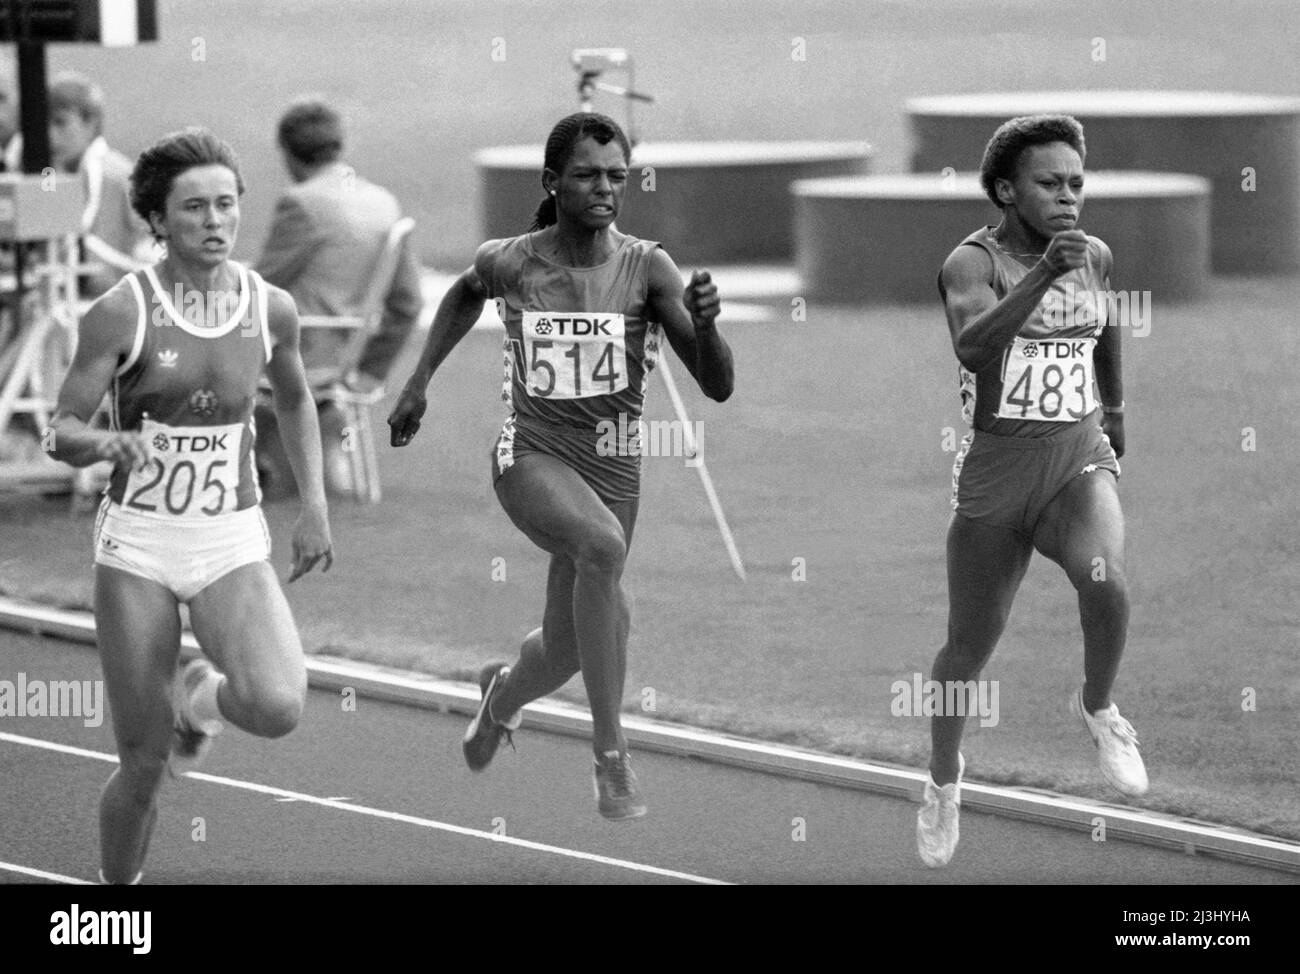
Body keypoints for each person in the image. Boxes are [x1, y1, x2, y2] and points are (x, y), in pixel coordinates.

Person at [388, 112, 734, 820]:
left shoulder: (647, 266)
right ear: (552, 182)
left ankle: (503, 697)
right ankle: (611, 759)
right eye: (587, 175)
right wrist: (418, 382)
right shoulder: (512, 259)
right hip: (532, 456)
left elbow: (717, 384)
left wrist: (708, 325)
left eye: (617, 175)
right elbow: (462, 293)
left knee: (571, 647)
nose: (605, 188)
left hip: (613, 470)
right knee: (600, 547)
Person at [49, 127, 334, 884]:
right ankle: (118, 907)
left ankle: (201, 695)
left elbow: (298, 401)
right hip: (139, 545)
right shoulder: (121, 311)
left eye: (227, 205)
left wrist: (314, 506)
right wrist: (106, 446)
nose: (215, 221)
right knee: (143, 767)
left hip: (230, 541)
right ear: (159, 220)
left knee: (278, 705)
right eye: (195, 208)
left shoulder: (267, 308)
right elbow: (60, 430)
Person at [918, 114, 1146, 868]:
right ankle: (945, 781)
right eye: (1050, 184)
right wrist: (1045, 272)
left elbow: (1105, 324)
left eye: (1077, 183)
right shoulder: (970, 265)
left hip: (1076, 455)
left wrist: (1113, 412)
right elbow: (974, 347)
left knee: (1105, 581)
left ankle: (1100, 709)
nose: (1069, 197)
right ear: (1007, 190)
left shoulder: (1093, 257)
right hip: (996, 475)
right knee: (967, 649)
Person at [254, 97, 422, 497]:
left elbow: (258, 285)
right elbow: (408, 303)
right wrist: (371, 369)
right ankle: (311, 436)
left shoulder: (301, 203)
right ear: (339, 145)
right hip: (345, 355)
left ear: (288, 153)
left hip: (297, 352)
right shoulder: (383, 203)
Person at [47, 72, 155, 298]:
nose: (51, 135)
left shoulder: (110, 175)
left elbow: (101, 269)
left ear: (91, 123)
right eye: (45, 123)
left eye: (60, 122)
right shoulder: (67, 176)